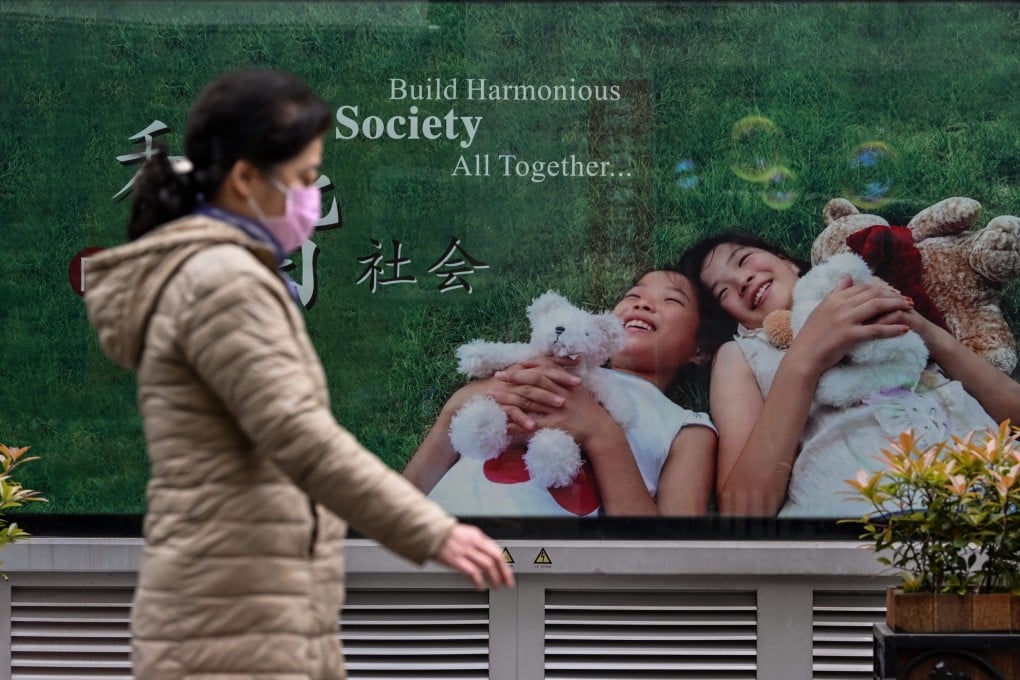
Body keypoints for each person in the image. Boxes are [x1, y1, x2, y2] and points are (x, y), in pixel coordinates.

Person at [83, 68, 513, 680]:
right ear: (245, 180)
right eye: (306, 178)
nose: (315, 197)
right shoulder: (224, 284)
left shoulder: (220, 273)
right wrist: (432, 532)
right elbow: (298, 435)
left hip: (236, 603)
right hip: (234, 617)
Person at [679, 231, 1020, 518]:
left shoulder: (869, 296)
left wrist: (926, 331)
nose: (741, 281)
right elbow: (745, 509)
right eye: (722, 291)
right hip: (872, 523)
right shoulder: (742, 353)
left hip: (995, 496)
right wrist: (806, 357)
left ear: (788, 261)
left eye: (743, 260)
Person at [403, 268, 718, 516]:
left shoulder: (687, 428)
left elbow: (667, 558)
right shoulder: (538, 363)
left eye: (672, 300)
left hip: (547, 569)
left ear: (700, 349)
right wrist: (454, 409)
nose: (643, 303)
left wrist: (601, 434)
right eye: (633, 295)